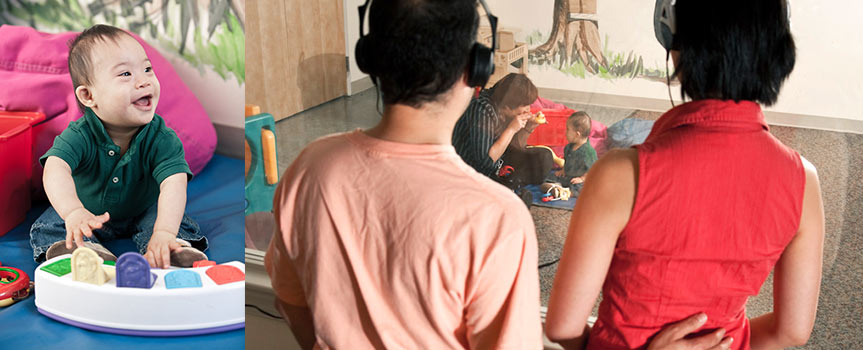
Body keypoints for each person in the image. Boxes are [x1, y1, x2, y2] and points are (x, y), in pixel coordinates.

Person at [265, 0, 735, 349]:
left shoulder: (309, 168)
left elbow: (291, 297)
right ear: (477, 69)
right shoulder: (496, 215)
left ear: (369, 62)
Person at [545, 1, 823, 349]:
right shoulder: (804, 183)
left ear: (673, 38)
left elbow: (562, 327)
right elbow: (791, 332)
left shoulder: (619, 174)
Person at [30, 24, 207, 269]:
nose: (144, 81)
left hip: (143, 209)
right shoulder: (79, 135)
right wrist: (73, 212)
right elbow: (55, 167)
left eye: (147, 69)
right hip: (89, 213)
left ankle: (168, 251)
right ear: (88, 96)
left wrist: (164, 231)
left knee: (171, 219)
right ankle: (86, 255)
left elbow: (173, 183)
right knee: (52, 225)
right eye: (126, 74)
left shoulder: (162, 138)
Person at [453, 73, 554, 197]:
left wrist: (528, 128)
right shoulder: (482, 109)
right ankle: (506, 189)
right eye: (524, 105)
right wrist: (511, 129)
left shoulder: (506, 109)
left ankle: (507, 186)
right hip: (472, 168)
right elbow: (486, 161)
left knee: (543, 157)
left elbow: (516, 146)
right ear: (507, 106)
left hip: (498, 160)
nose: (528, 110)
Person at [554, 111, 597, 190]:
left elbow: (593, 170)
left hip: (579, 181)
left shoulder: (588, 152)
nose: (565, 132)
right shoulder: (568, 147)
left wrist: (582, 179)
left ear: (577, 134)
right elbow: (567, 161)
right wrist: (563, 171)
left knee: (582, 187)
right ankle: (556, 187)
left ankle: (566, 192)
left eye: (568, 129)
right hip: (568, 177)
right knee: (551, 177)